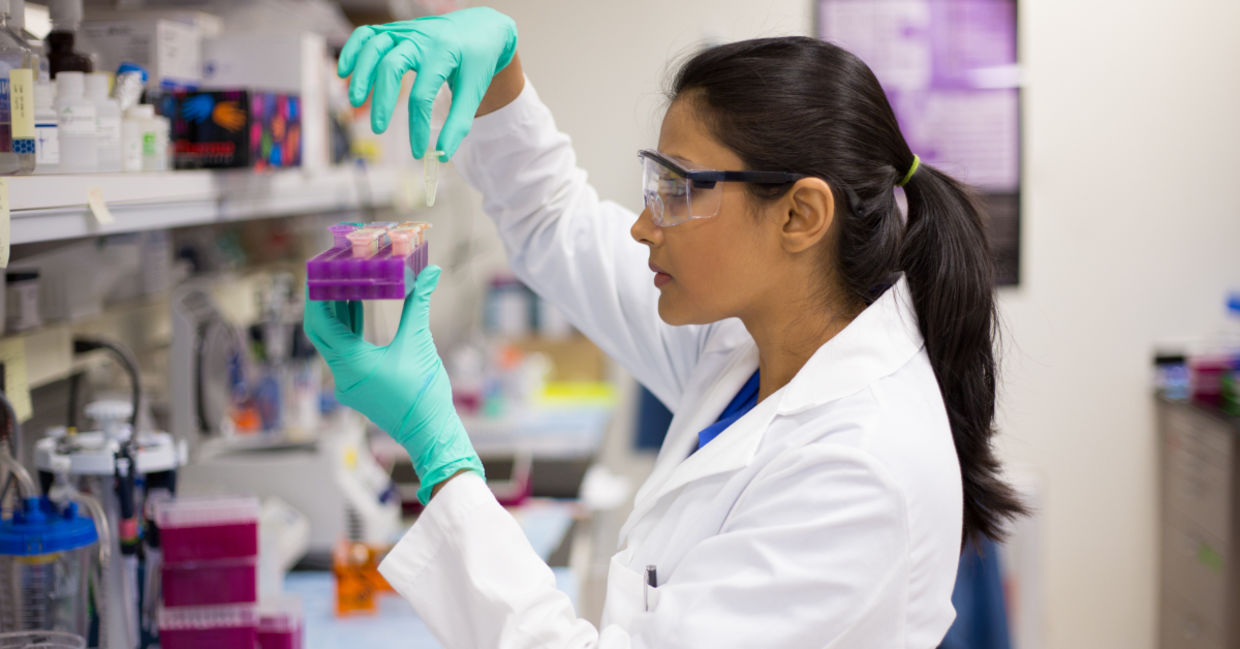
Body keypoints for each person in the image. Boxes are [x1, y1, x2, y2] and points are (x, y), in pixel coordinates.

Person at [303, 7, 1026, 648]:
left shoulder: (860, 468)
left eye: (678, 191)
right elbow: (556, 222)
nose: (646, 225)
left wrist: (442, 456)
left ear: (800, 215)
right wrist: (502, 78)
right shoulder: (758, 346)